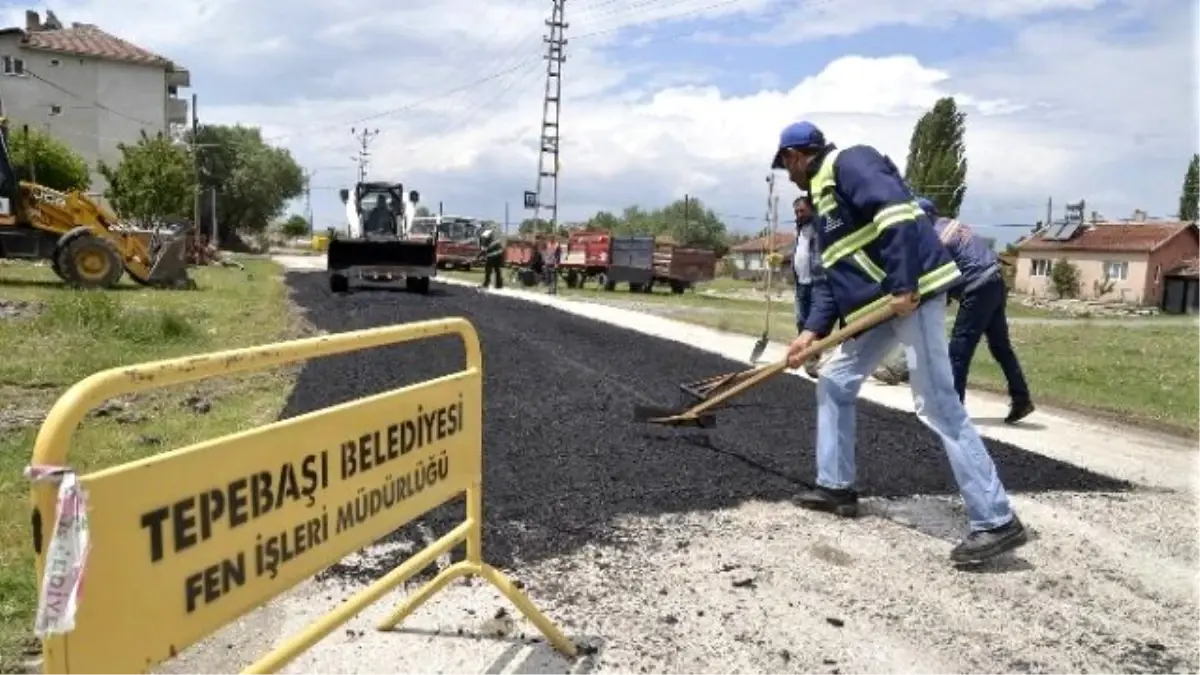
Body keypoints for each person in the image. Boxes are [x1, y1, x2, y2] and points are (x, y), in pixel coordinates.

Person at [771, 121, 1028, 565]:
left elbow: (898, 215)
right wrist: (809, 334)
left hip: (913, 295)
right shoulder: (823, 203)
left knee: (938, 404)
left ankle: (996, 519)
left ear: (796, 156)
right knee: (833, 378)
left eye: (785, 166)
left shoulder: (850, 162)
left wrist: (904, 284)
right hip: (879, 307)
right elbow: (835, 279)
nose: (788, 175)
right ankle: (837, 488)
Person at [791, 196, 823, 378]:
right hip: (801, 283)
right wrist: (782, 258)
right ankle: (804, 354)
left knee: (814, 323)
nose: (799, 214)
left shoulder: (818, 227)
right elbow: (799, 251)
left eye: (802, 210)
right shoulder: (799, 229)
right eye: (796, 212)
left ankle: (813, 361)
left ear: (811, 209)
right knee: (801, 321)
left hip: (816, 282)